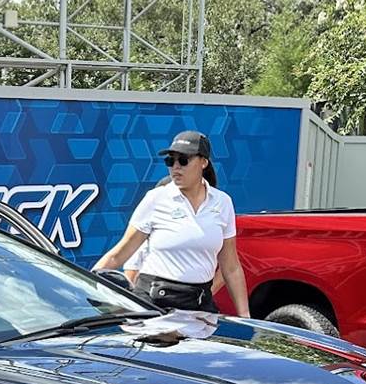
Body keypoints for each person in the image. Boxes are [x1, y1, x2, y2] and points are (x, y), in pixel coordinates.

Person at [94, 130, 250, 317]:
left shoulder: (222, 202)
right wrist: (82, 290)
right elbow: (119, 254)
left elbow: (231, 267)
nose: (176, 167)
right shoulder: (156, 198)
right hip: (155, 303)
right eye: (170, 161)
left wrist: (245, 317)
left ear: (203, 162)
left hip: (200, 304)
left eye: (183, 160)